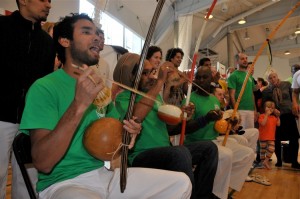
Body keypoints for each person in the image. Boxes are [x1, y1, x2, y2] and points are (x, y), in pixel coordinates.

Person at [19, 13, 192, 199]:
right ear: (64, 41)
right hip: (65, 183)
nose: (96, 37)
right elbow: (43, 162)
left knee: (181, 184)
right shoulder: (44, 87)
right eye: (86, 32)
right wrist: (79, 104)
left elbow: (113, 140)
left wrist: (128, 135)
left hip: (105, 175)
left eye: (96, 33)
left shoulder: (100, 88)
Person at [113, 52, 219, 199]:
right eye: (145, 73)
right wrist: (160, 82)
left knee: (209, 148)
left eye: (152, 72)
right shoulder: (122, 99)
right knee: (180, 153)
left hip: (165, 151)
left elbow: (168, 129)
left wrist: (181, 115)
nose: (151, 76)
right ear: (130, 76)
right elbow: (135, 118)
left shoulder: (155, 96)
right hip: (140, 156)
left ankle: (201, 194)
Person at [0, 0, 55, 198]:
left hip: (32, 122)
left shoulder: (48, 43)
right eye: (43, 0)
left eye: (50, 1)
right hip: (1, 117)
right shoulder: (1, 28)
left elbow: (45, 85)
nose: (48, 5)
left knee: (28, 182)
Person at [184, 66, 254, 199]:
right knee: (227, 155)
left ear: (211, 79)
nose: (201, 80)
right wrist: (205, 119)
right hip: (198, 143)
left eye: (205, 77)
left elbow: (218, 125)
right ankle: (218, 194)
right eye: (198, 77)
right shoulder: (190, 100)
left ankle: (220, 187)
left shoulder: (214, 100)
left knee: (248, 154)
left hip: (215, 139)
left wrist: (229, 123)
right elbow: (186, 127)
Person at [262, 69, 300, 169]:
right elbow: (265, 104)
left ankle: (294, 161)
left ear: (277, 75)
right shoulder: (266, 91)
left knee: (294, 138)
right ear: (268, 79)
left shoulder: (287, 84)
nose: (273, 79)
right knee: (277, 139)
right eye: (270, 78)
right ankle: (279, 160)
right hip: (276, 118)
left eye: (274, 76)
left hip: (289, 114)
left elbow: (293, 98)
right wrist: (274, 110)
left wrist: (295, 108)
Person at [228, 53, 258, 129]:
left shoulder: (249, 75)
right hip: (240, 110)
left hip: (250, 110)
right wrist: (236, 111)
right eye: (242, 59)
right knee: (241, 135)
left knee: (251, 134)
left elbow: (252, 94)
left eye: (246, 58)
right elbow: (231, 95)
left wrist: (255, 109)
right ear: (237, 61)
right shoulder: (233, 76)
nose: (245, 60)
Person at [258, 101, 280, 170]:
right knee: (262, 151)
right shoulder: (261, 116)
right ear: (264, 108)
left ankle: (266, 161)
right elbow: (263, 123)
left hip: (271, 137)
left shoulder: (274, 117)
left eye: (272, 108)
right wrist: (266, 115)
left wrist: (278, 116)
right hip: (262, 137)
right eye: (268, 107)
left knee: (272, 148)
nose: (270, 109)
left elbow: (278, 124)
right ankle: (262, 163)